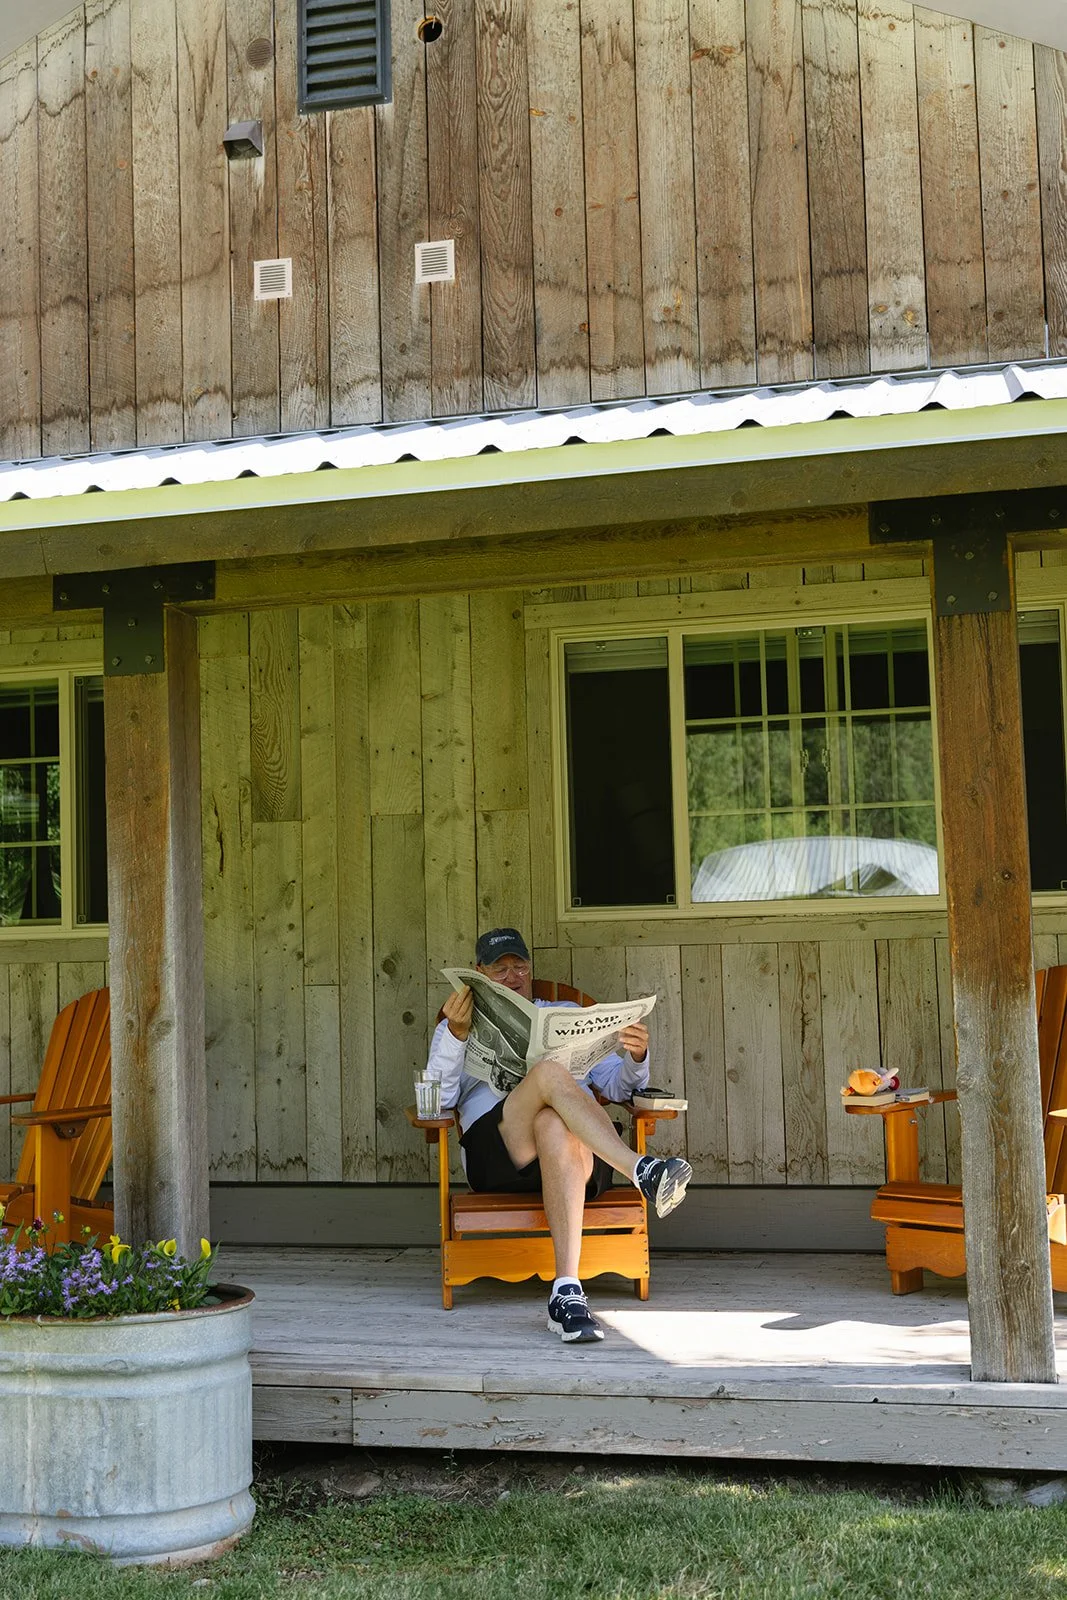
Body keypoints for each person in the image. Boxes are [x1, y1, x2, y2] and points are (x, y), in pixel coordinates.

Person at [425, 927, 692, 1344]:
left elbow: (619, 1089)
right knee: (549, 1073)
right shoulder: (457, 1026)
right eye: (501, 970)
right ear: (478, 974)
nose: (514, 976)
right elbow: (436, 1102)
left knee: (554, 1122)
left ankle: (566, 1292)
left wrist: (636, 1058)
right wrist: (457, 1037)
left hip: (576, 1157)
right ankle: (642, 1170)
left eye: (520, 966)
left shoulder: (566, 1013)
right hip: (499, 1154)